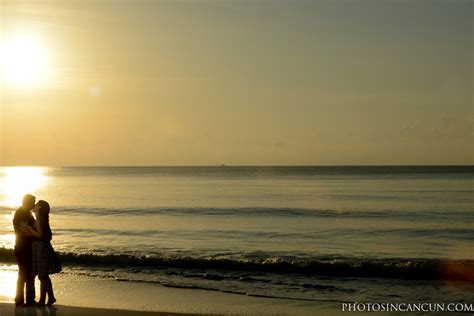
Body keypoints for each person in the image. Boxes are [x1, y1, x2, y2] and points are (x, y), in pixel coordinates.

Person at [21, 200, 62, 306]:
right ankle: (43, 300)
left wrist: (29, 228)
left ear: (39, 208)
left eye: (36, 204)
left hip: (41, 250)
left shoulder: (39, 219)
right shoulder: (42, 219)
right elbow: (44, 235)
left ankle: (51, 297)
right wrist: (28, 231)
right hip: (41, 248)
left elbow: (39, 235)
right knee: (43, 275)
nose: (34, 205)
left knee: (42, 276)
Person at [12, 194, 37, 306]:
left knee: (27, 273)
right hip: (23, 247)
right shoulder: (21, 214)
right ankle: (23, 299)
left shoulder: (26, 213)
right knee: (25, 273)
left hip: (25, 246)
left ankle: (25, 299)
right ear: (27, 202)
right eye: (32, 202)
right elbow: (25, 230)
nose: (34, 204)